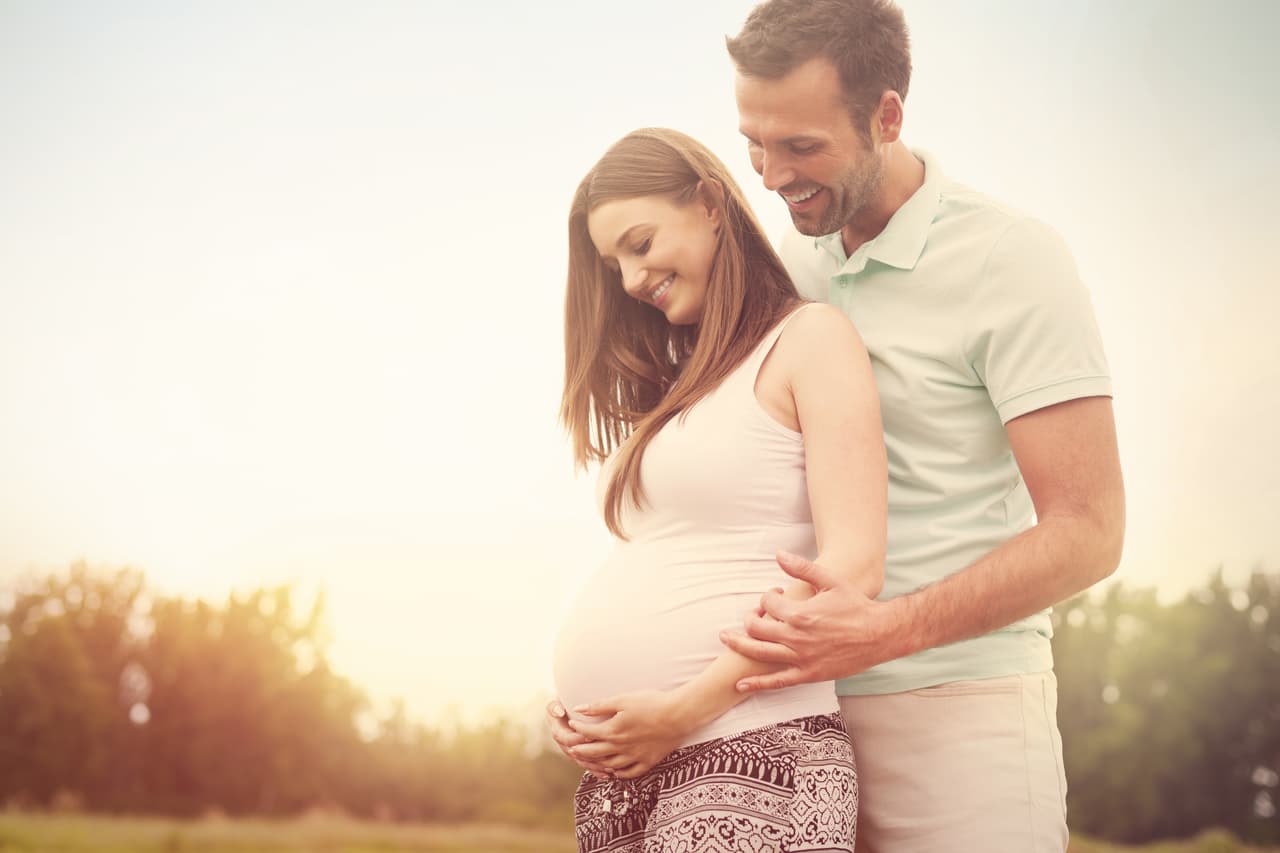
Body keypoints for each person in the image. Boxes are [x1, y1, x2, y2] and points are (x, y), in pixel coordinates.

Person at [552, 2, 1126, 851]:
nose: (774, 175)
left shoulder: (1009, 261)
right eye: (755, 143)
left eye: (802, 147)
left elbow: (1091, 531)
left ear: (886, 116)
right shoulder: (787, 270)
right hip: (788, 718)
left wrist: (889, 629)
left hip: (956, 713)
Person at [552, 127, 886, 853]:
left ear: (708, 203)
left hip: (754, 748)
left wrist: (681, 707)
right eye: (614, 265)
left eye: (639, 244)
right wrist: (588, 709)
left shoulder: (810, 340)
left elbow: (852, 570)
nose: (631, 279)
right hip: (636, 773)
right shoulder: (681, 390)